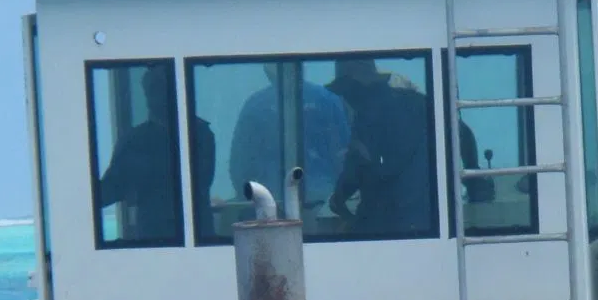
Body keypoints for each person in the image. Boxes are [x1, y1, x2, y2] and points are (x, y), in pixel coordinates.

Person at [96, 65, 213, 239]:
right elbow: (109, 191)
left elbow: (201, 181)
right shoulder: (133, 139)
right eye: (154, 89)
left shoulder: (199, 133)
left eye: (161, 88)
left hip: (196, 236)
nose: (159, 96)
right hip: (152, 240)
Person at [326, 57, 434, 236]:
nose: (345, 97)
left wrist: (338, 198)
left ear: (356, 87)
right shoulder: (418, 102)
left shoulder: (367, 118)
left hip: (386, 224)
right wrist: (475, 180)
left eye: (345, 91)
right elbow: (462, 132)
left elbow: (357, 168)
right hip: (427, 218)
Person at [227, 63, 349, 211]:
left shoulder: (255, 105)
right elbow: (343, 158)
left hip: (268, 204)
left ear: (268, 71)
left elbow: (239, 165)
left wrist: (247, 200)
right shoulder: (328, 99)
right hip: (323, 203)